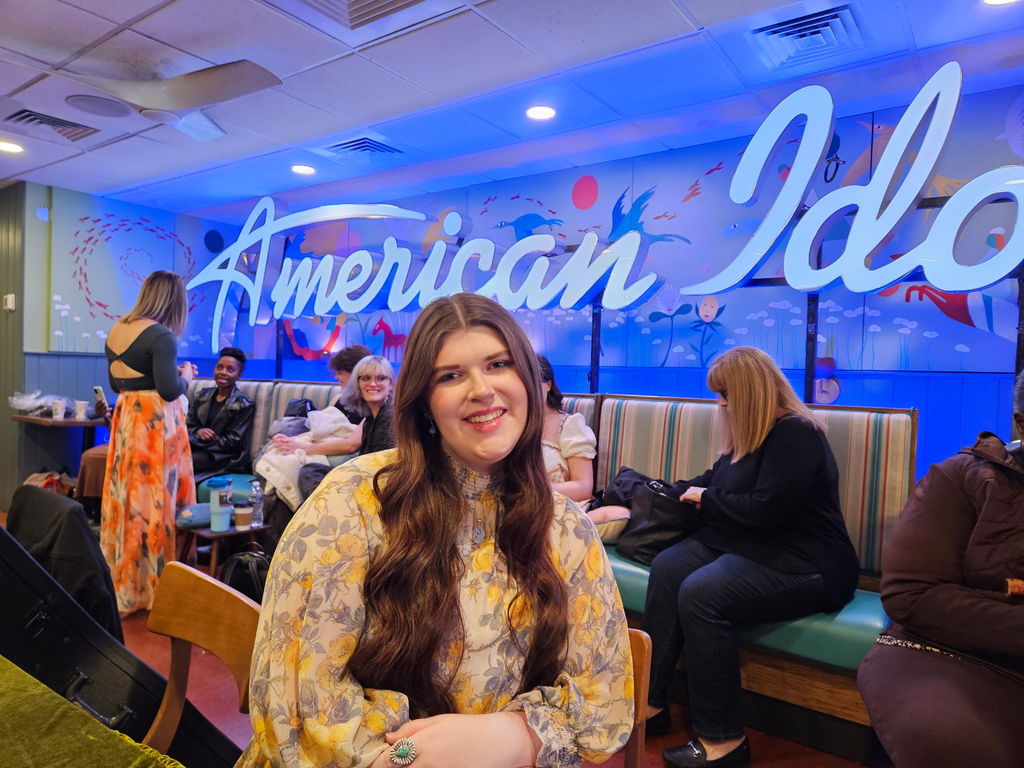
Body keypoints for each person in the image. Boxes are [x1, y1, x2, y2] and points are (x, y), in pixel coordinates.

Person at [238, 293, 633, 768]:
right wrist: (412, 756)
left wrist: (512, 736)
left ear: (529, 380)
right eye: (450, 375)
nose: (481, 389)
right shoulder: (353, 503)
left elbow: (605, 706)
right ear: (424, 403)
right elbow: (294, 707)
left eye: (498, 364)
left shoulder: (567, 529)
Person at [643, 346, 858, 768]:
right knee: (669, 567)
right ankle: (650, 706)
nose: (720, 403)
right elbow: (714, 481)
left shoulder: (796, 433)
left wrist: (707, 497)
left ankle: (724, 740)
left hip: (807, 560)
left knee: (702, 593)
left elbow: (766, 510)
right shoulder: (751, 435)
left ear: (749, 391)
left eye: (725, 394)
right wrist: (670, 491)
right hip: (750, 545)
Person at [856, 375, 1024, 768]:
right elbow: (912, 595)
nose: (722, 405)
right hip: (944, 651)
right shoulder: (962, 477)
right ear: (1020, 420)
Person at [100, 270, 196, 616]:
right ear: (174, 301)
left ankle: (124, 579)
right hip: (156, 427)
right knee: (156, 501)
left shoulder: (117, 331)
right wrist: (186, 377)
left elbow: (116, 385)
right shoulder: (162, 337)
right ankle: (155, 587)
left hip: (127, 420)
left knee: (127, 499)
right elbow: (169, 389)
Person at [186, 346, 254, 480]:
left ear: (238, 375)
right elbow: (188, 425)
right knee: (167, 455)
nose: (223, 372)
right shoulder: (201, 396)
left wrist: (201, 439)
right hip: (198, 447)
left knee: (183, 461)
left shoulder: (244, 404)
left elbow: (233, 442)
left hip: (222, 456)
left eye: (230, 369)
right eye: (219, 367)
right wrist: (198, 432)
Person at [537, 355, 596, 503]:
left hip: (558, 509)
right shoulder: (511, 424)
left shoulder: (569, 425)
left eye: (533, 383)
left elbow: (583, 488)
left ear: (548, 385)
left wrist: (534, 492)